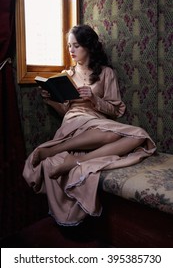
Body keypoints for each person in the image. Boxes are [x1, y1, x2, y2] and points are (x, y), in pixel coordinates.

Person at [23, 24, 156, 226]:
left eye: (76, 45)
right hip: (75, 120)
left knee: (139, 136)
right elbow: (66, 111)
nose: (71, 51)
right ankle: (59, 149)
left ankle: (69, 159)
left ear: (88, 46)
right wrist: (51, 100)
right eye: (69, 46)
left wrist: (94, 99)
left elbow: (116, 109)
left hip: (98, 122)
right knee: (111, 135)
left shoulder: (106, 73)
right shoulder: (66, 75)